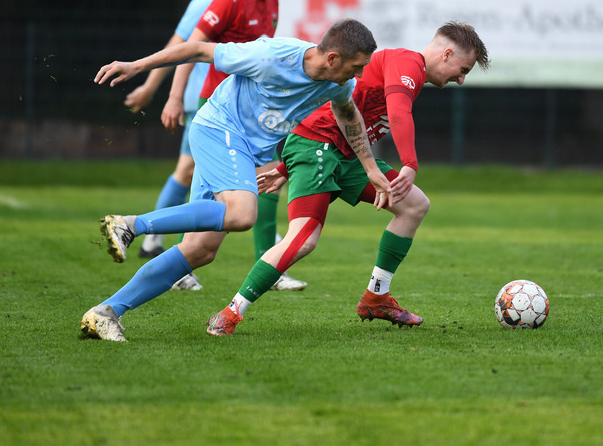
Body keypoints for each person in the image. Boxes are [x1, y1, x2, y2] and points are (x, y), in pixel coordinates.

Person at [80, 18, 393, 342]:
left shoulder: (340, 84)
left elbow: (348, 114)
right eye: (356, 67)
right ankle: (131, 225)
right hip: (219, 131)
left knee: (199, 250)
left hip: (241, 152)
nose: (358, 75)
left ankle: (106, 312)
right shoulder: (271, 56)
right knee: (243, 214)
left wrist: (370, 168)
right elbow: (199, 49)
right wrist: (137, 66)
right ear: (332, 59)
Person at [206, 22, 490, 336]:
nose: (461, 79)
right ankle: (231, 312)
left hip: (347, 154)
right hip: (318, 148)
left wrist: (285, 168)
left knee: (414, 205)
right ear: (447, 54)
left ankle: (376, 297)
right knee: (303, 240)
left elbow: (346, 116)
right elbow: (397, 113)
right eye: (463, 69)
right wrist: (409, 163)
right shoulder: (408, 63)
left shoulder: (414, 71)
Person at [150, 0, 305, 291]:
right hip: (217, 110)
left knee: (265, 184)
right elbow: (193, 47)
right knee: (203, 187)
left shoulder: (274, 3)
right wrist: (175, 96)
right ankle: (152, 239)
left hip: (248, 112)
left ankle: (268, 266)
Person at [122, 0, 252, 271]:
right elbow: (179, 48)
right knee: (189, 171)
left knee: (197, 174)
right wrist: (155, 89)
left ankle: (164, 241)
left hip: (235, 108)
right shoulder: (208, 2)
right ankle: (155, 238)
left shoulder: (259, 6)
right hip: (205, 103)